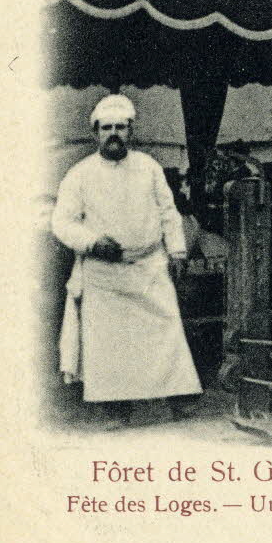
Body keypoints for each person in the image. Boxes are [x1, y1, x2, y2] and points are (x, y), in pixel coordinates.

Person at [51, 95, 202, 426]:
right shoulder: (79, 175)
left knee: (165, 330)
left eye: (120, 127)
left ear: (131, 131)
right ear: (96, 133)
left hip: (150, 266)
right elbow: (62, 223)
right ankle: (114, 410)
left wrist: (176, 251)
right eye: (107, 128)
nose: (114, 133)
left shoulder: (149, 168)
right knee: (109, 344)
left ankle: (177, 399)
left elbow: (168, 212)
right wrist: (91, 242)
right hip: (103, 272)